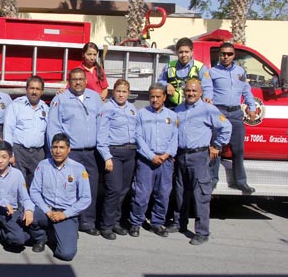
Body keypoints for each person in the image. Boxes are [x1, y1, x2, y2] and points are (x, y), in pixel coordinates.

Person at [170, 79, 232, 245]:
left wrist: (217, 146)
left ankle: (202, 232)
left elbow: (227, 127)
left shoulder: (208, 109)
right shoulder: (179, 109)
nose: (190, 93)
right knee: (180, 192)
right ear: (184, 91)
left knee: (201, 195)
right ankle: (179, 223)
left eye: (194, 91)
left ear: (200, 92)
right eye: (188, 90)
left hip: (199, 156)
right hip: (181, 155)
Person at [46, 68, 102, 236]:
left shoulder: (95, 98)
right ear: (69, 82)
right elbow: (53, 127)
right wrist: (57, 153)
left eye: (81, 79)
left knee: (89, 188)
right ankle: (70, 222)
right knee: (69, 189)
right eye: (74, 79)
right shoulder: (60, 99)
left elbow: (101, 124)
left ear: (86, 80)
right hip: (72, 153)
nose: (78, 82)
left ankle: (87, 222)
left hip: (91, 152)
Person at [29, 133, 91, 261]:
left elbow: (86, 198)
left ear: (69, 149)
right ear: (51, 149)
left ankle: (56, 234)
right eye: (54, 147)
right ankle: (41, 238)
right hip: (46, 209)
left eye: (61, 147)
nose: (57, 151)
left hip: (66, 213)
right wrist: (47, 210)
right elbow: (34, 191)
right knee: (29, 216)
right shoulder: (43, 165)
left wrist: (65, 214)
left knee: (66, 254)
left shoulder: (78, 169)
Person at [128, 84, 178, 238]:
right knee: (141, 194)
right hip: (146, 161)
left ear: (164, 97)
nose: (155, 100)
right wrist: (151, 156)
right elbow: (138, 137)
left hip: (165, 161)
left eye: (158, 97)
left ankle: (157, 223)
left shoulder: (172, 116)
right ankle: (135, 223)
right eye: (152, 97)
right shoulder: (141, 114)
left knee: (163, 194)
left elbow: (175, 138)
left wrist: (166, 155)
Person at [210, 42, 256, 194]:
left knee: (238, 149)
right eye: (223, 54)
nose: (226, 57)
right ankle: (212, 180)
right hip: (220, 112)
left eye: (229, 54)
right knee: (216, 148)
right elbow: (208, 91)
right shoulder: (212, 72)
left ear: (234, 55)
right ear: (219, 55)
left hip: (236, 113)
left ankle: (240, 182)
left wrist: (252, 107)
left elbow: (247, 91)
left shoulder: (240, 72)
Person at [97, 79, 138, 240]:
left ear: (128, 93)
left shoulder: (132, 109)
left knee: (123, 190)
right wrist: (107, 157)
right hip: (114, 153)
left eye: (124, 92)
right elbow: (101, 136)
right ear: (113, 92)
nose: (121, 94)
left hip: (130, 153)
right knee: (113, 190)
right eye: (118, 91)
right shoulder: (107, 108)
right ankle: (106, 225)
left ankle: (115, 221)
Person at [3, 75, 49, 187]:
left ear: (42, 91)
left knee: (36, 185)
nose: (34, 92)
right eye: (32, 88)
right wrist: (10, 154)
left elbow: (48, 134)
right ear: (26, 89)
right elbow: (8, 131)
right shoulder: (16, 105)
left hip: (38, 154)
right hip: (19, 152)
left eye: (38, 89)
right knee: (18, 185)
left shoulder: (46, 108)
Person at [158, 37, 213, 108]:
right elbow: (160, 81)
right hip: (172, 108)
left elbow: (207, 87)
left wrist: (207, 98)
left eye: (186, 52)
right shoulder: (169, 66)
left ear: (192, 52)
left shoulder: (201, 67)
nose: (183, 55)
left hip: (194, 108)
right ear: (176, 52)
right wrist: (166, 85)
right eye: (181, 52)